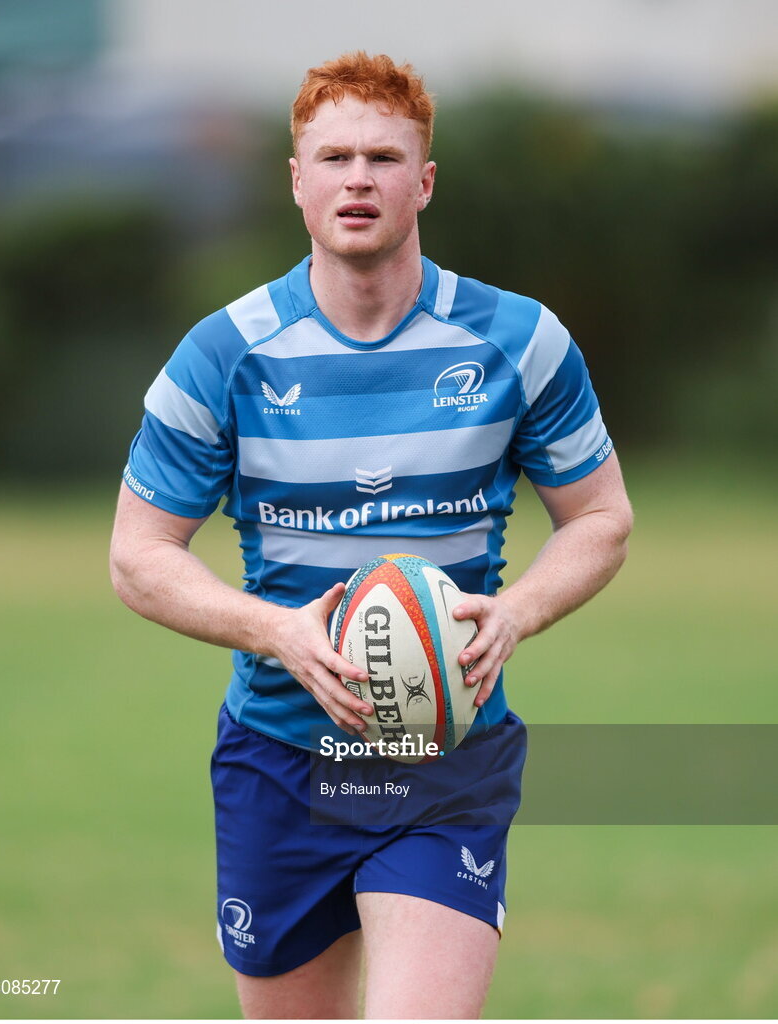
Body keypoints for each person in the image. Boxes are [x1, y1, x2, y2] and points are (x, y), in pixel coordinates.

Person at [110, 51, 632, 1019]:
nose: (359, 178)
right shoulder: (224, 354)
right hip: (278, 760)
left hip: (447, 759)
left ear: (423, 181)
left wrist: (515, 612)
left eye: (385, 158)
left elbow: (602, 518)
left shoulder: (520, 342)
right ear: (297, 180)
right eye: (336, 156)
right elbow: (137, 556)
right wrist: (279, 633)